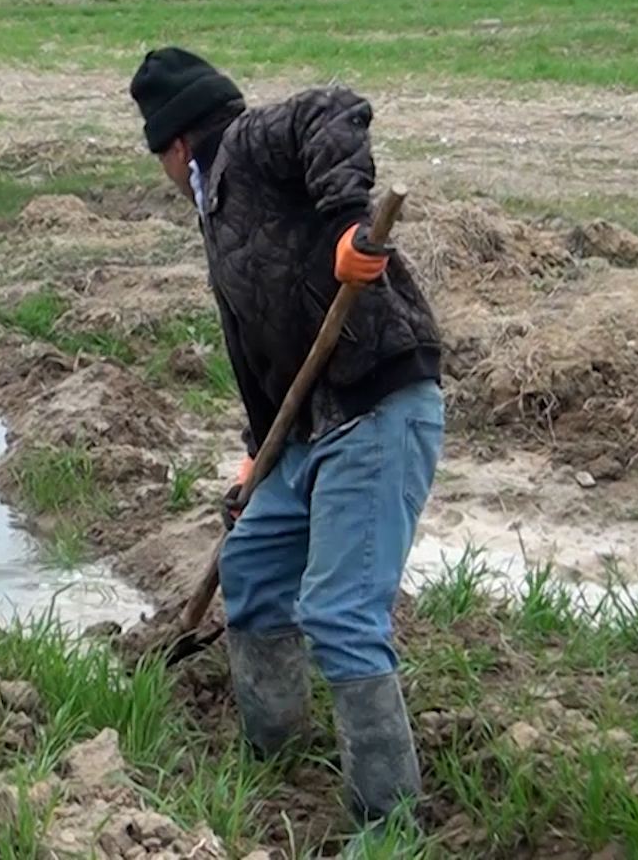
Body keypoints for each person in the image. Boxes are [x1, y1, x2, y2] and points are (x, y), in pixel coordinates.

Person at [128, 47, 445, 828]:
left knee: (339, 612)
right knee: (255, 562)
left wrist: (347, 226)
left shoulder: (249, 142)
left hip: (375, 400)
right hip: (301, 431)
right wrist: (255, 452)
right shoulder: (216, 208)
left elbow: (333, 108)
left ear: (173, 144)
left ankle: (388, 823)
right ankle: (275, 756)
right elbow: (258, 342)